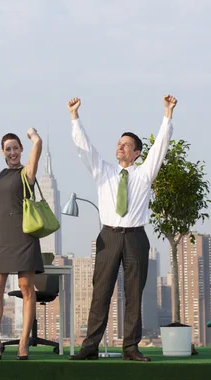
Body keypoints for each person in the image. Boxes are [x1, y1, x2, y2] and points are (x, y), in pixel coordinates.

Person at [67, 95, 177, 362]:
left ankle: (131, 348)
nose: (120, 147)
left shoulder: (144, 174)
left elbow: (160, 147)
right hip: (108, 237)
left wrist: (167, 114)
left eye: (126, 145)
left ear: (137, 153)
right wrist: (74, 118)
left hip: (136, 238)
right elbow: (85, 147)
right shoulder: (103, 171)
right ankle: (90, 348)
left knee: (133, 294)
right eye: (119, 143)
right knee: (100, 292)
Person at [0, 130, 43, 360]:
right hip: (2, 237)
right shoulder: (0, 175)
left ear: (21, 150)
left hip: (24, 236)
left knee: (26, 287)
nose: (12, 153)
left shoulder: (26, 173)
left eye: (15, 148)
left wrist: (35, 138)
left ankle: (23, 342)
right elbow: (1, 207)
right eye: (7, 149)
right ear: (3, 152)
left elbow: (36, 153)